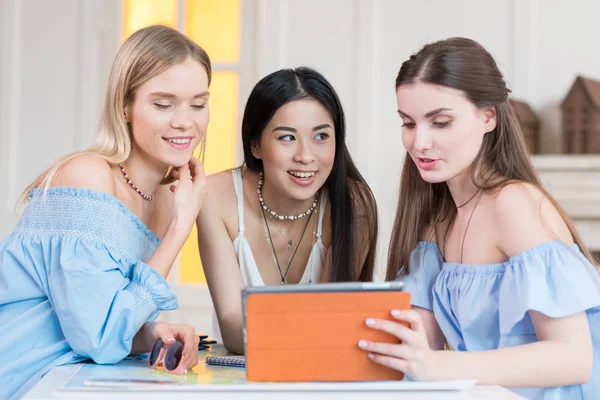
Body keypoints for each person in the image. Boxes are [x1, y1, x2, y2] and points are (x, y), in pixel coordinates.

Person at [358, 37, 600, 399]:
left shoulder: (513, 204)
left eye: (440, 122)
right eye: (408, 123)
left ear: (488, 117)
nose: (419, 142)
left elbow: (574, 358)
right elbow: (416, 340)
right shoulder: (437, 220)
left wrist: (438, 366)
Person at [0, 25, 211, 399]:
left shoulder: (164, 198)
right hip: (20, 378)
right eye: (163, 104)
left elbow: (102, 323)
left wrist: (151, 334)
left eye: (198, 103)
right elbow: (97, 339)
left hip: (71, 379)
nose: (185, 122)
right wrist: (181, 228)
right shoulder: (87, 176)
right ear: (125, 106)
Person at [197, 67, 378, 354]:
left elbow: (332, 322)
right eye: (287, 138)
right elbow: (233, 330)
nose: (305, 156)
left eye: (321, 137)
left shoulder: (352, 203)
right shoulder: (215, 196)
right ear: (255, 145)